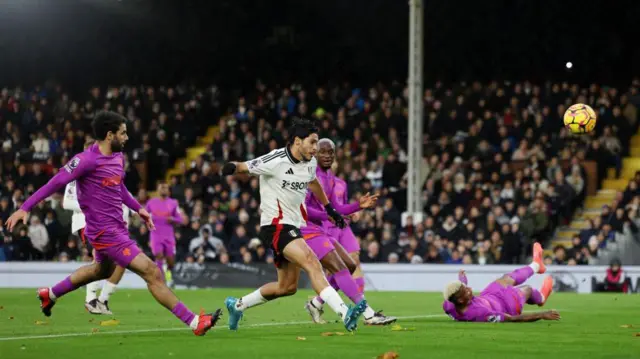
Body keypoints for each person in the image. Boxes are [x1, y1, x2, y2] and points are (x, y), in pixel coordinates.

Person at [4, 111, 220, 336]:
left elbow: (120, 187)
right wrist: (24, 208)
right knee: (152, 272)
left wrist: (139, 209)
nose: (126, 137)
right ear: (109, 135)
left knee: (101, 270)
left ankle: (51, 294)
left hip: (117, 228)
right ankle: (195, 322)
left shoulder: (118, 157)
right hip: (105, 233)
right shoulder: (85, 160)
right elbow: (55, 182)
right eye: (123, 133)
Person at [221, 119, 367, 332]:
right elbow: (245, 166)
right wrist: (231, 167)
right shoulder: (276, 159)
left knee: (286, 287)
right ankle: (345, 313)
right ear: (297, 141)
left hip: (293, 227)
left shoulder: (310, 162)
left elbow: (314, 183)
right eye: (313, 142)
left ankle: (237, 305)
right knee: (312, 263)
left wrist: (329, 208)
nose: (316, 148)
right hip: (276, 226)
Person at [303, 139, 397, 325]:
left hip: (321, 229)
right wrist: (326, 215)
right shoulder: (308, 174)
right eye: (323, 152)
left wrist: (358, 206)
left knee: (350, 265)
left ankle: (315, 304)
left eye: (331, 152)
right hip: (307, 229)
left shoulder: (329, 178)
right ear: (315, 154)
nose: (328, 156)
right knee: (339, 268)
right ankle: (369, 314)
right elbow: (303, 208)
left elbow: (336, 207)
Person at [62, 139, 131, 315]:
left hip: (107, 222)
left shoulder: (105, 172)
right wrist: (92, 206)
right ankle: (91, 299)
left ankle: (103, 300)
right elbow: (66, 202)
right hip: (85, 222)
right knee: (100, 257)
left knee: (122, 260)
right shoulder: (77, 172)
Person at [442, 242, 559, 323]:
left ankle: (536, 265)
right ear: (461, 300)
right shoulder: (479, 313)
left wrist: (462, 281)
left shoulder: (449, 304)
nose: (470, 289)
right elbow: (512, 319)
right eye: (466, 290)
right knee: (527, 289)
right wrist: (542, 315)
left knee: (505, 278)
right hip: (506, 306)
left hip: (487, 296)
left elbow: (458, 293)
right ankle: (542, 298)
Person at [145, 181, 186, 287]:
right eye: (161, 188)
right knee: (159, 256)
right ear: (158, 190)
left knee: (170, 261)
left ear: (168, 191)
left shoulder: (173, 203)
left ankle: (168, 275)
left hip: (168, 235)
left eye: (165, 188)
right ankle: (161, 281)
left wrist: (172, 219)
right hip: (155, 235)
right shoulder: (151, 202)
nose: (163, 190)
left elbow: (180, 219)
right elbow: (143, 215)